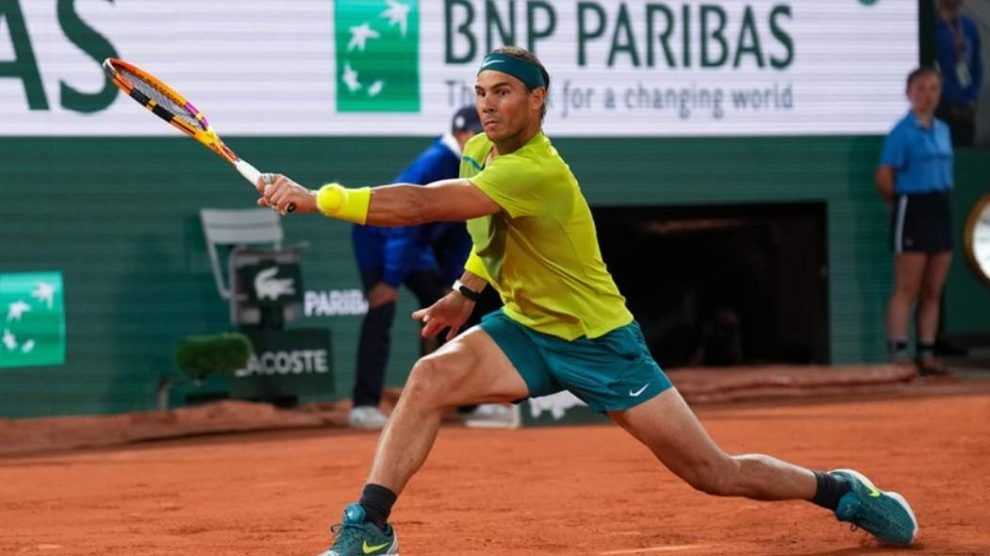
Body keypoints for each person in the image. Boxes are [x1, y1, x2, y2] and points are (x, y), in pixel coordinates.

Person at [257, 46, 919, 556]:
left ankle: (840, 492)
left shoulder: (535, 170)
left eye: (504, 93)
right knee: (430, 378)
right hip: (524, 327)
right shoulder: (482, 151)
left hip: (600, 343)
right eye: (481, 94)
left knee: (712, 473)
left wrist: (317, 197)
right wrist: (465, 293)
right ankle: (370, 525)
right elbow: (489, 237)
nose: (488, 106)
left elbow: (421, 205)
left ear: (537, 99)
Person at [347, 106, 488, 429]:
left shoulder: (471, 166)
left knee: (446, 310)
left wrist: (455, 283)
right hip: (379, 241)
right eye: (476, 134)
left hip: (416, 246)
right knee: (381, 310)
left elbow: (457, 230)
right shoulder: (435, 162)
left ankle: (460, 403)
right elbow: (402, 223)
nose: (483, 140)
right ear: (460, 134)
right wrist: (388, 281)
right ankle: (363, 406)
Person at [875, 67, 956, 376]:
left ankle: (927, 352)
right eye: (920, 89)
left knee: (933, 289)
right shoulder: (901, 132)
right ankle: (898, 353)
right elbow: (884, 177)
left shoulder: (943, 130)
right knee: (907, 287)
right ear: (909, 93)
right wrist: (901, 205)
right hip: (913, 208)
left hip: (941, 206)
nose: (927, 95)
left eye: (933, 88)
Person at [935, 0, 983, 147]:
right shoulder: (931, 26)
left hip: (965, 110)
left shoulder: (969, 26)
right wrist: (956, 96)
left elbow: (977, 65)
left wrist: (971, 94)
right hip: (939, 107)